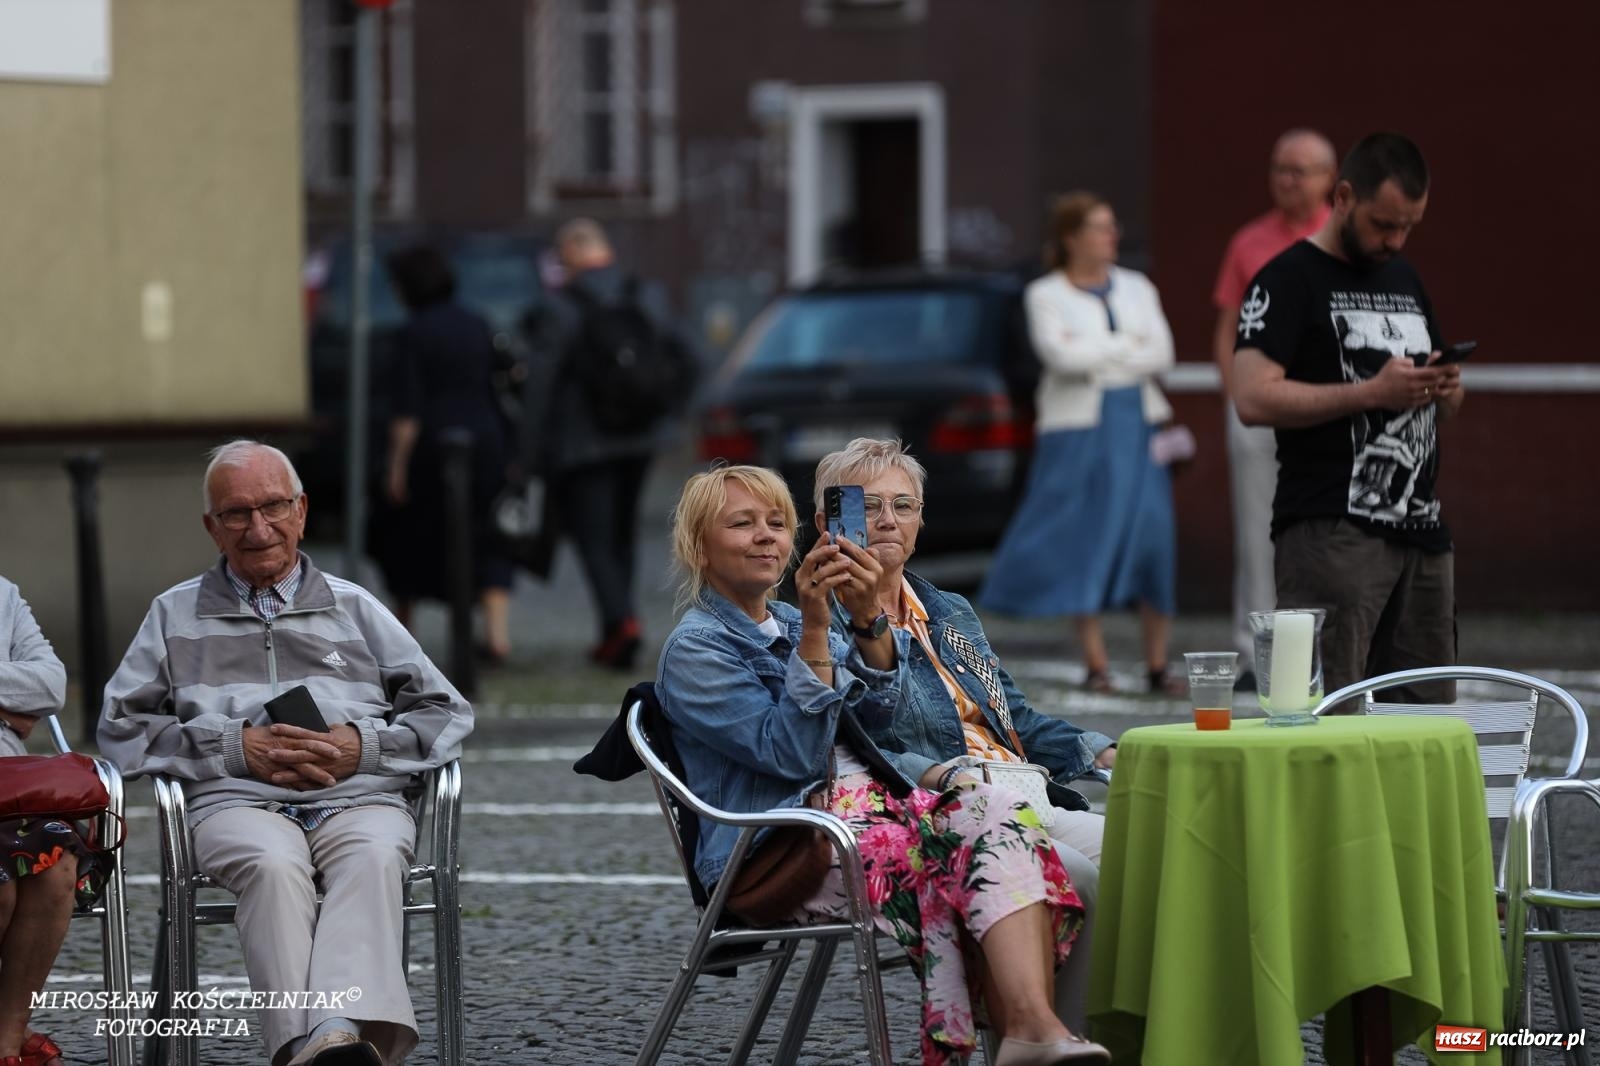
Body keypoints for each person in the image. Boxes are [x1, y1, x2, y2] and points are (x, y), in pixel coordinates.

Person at [656, 464, 1109, 1066]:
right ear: (699, 547)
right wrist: (820, 628)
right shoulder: (697, 648)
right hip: (790, 844)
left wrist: (867, 622)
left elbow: (877, 718)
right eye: (742, 524)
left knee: (996, 811)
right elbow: (792, 756)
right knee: (1018, 852)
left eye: (776, 523)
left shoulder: (793, 620)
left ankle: (1034, 1033)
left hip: (876, 809)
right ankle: (1030, 1030)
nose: (765, 536)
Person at [98, 441, 474, 1066]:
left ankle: (320, 1041)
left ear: (301, 511)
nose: (259, 528)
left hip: (358, 798)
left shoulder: (354, 607)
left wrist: (365, 747)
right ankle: (324, 1043)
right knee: (273, 863)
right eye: (237, 514)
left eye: (273, 507)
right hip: (234, 804)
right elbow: (119, 727)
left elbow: (447, 711)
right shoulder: (173, 614)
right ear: (211, 528)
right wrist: (230, 746)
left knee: (377, 854)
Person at [814, 437, 1114, 1032]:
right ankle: (1043, 1043)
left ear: (923, 517)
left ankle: (1118, 1035)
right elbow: (856, 738)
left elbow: (1016, 719)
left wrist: (1107, 751)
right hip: (943, 807)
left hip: (1024, 788)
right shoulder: (814, 620)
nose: (887, 520)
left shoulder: (947, 609)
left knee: (1147, 853)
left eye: (904, 505)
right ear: (829, 520)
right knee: (1073, 871)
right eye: (868, 506)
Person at [1231, 132, 1463, 701]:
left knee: (1423, 715)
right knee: (1325, 711)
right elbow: (1252, 398)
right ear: (1342, 197)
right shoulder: (1286, 279)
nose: (1396, 239)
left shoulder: (1404, 278)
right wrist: (1369, 392)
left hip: (1420, 531)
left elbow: (1443, 401)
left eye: (1409, 225)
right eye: (1384, 224)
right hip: (1331, 531)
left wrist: (1444, 386)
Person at [979, 193, 1183, 695]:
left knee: (1154, 540)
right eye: (1099, 227)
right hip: (1077, 433)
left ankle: (1158, 664)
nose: (1111, 236)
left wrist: (1097, 354)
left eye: (1112, 226)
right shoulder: (1045, 293)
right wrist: (1125, 351)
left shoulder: (1137, 286)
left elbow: (1163, 353)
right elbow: (1060, 358)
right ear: (1072, 237)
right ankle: (1097, 663)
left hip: (1139, 426)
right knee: (1083, 540)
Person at [525, 218, 696, 670]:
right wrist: (670, 412)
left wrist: (526, 452)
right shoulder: (646, 296)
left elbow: (540, 384)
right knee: (621, 532)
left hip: (584, 443)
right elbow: (689, 355)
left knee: (593, 536)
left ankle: (621, 623)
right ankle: (617, 624)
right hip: (640, 436)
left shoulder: (559, 307)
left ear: (569, 256)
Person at [1212, 129, 1337, 687]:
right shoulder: (1249, 242)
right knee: (1257, 532)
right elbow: (1227, 328)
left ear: (1331, 179)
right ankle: (1254, 654)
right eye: (1280, 168)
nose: (1288, 180)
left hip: (1328, 410)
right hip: (1258, 407)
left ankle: (1329, 649)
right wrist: (1236, 395)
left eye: (1301, 170)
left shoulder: (1342, 238)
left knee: (1331, 530)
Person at [376, 243, 516, 664]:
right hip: (487, 441)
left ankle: (402, 633)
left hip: (432, 448)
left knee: (410, 536)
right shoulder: (478, 324)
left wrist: (395, 466)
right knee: (489, 536)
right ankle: (496, 634)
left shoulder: (413, 333)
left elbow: (407, 409)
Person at [1, 577, 94, 1066]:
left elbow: (51, 684)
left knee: (56, 864)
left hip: (5, 784)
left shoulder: (3, 594)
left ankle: (7, 1040)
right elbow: (26, 689)